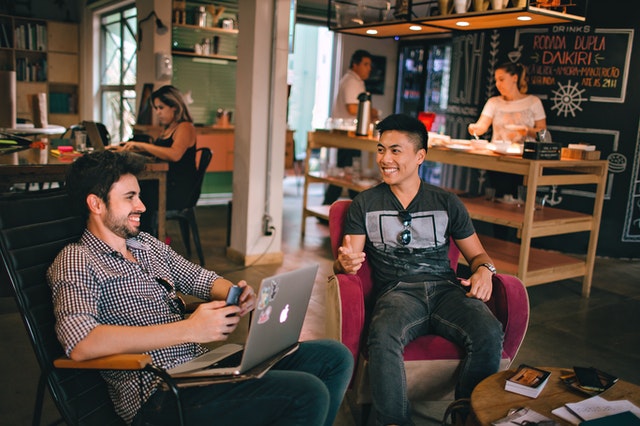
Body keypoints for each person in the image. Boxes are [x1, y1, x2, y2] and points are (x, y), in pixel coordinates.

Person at [47, 150, 353, 426]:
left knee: (334, 357)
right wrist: (189, 330)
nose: (141, 205)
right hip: (158, 394)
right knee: (306, 393)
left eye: (138, 195)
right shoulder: (77, 259)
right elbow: (80, 342)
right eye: (129, 197)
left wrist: (235, 293)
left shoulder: (145, 245)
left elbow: (200, 278)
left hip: (200, 370)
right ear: (95, 203)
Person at [333, 114, 504, 426]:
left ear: (420, 156)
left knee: (489, 331)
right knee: (383, 334)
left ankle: (467, 418)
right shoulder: (365, 203)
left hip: (446, 290)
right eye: (381, 150)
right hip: (397, 292)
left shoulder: (447, 202)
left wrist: (485, 271)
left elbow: (478, 255)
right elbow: (348, 258)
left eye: (395, 151)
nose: (385, 159)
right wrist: (344, 263)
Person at [113, 85, 198, 234]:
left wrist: (142, 145)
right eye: (156, 108)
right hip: (167, 182)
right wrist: (130, 148)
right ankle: (134, 237)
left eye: (161, 107)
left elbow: (174, 154)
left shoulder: (185, 127)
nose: (157, 112)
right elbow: (160, 152)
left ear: (175, 107)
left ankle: (142, 240)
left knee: (136, 195)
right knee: (132, 191)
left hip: (178, 189)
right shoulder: (168, 128)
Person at [468, 62, 547, 200]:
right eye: (496, 80)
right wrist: (474, 128)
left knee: (520, 201)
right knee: (497, 200)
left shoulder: (533, 102)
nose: (498, 84)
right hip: (498, 158)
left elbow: (543, 133)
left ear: (515, 78)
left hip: (524, 160)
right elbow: (482, 126)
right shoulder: (493, 102)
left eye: (501, 79)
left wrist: (527, 131)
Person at [323, 49, 380, 207]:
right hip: (348, 135)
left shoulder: (356, 81)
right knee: (347, 173)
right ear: (355, 65)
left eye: (370, 65)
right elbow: (352, 108)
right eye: (366, 64)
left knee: (348, 172)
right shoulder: (351, 81)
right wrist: (371, 111)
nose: (369, 68)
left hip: (352, 135)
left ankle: (348, 207)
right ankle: (333, 207)